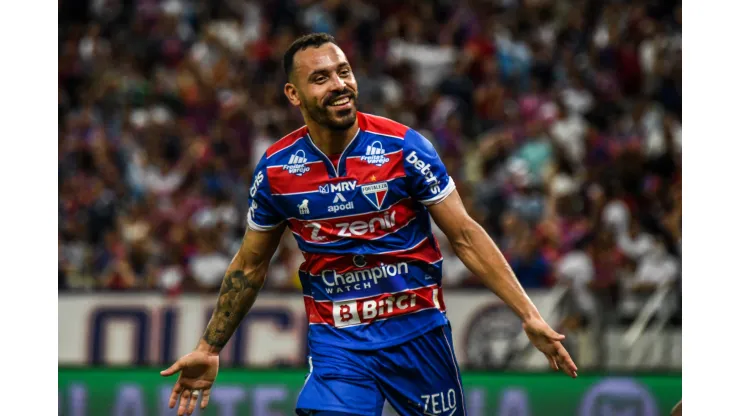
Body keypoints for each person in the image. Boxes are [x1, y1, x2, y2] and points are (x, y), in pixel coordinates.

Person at [160, 33, 577, 416]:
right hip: (339, 342)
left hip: (418, 335)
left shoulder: (405, 148)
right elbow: (250, 265)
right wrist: (209, 347)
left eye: (343, 72)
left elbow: (465, 235)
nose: (339, 85)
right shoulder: (276, 170)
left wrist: (529, 315)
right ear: (294, 94)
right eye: (320, 78)